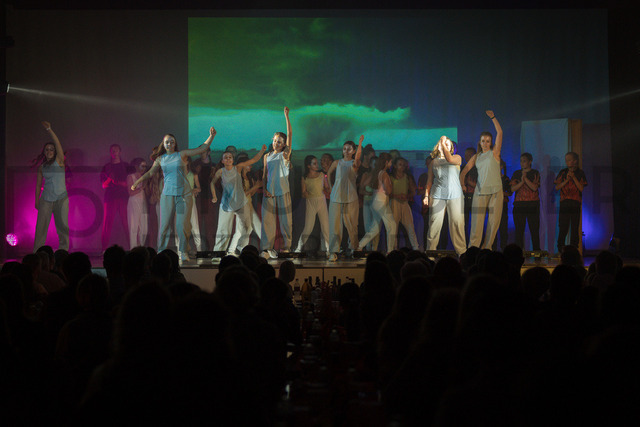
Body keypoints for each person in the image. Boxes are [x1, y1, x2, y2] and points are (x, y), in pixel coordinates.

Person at [131, 127, 216, 261]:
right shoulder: (160, 159)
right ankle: (161, 251)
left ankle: (183, 251)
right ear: (163, 144)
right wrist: (137, 182)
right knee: (164, 226)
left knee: (182, 225)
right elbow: (150, 173)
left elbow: (201, 149)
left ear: (175, 144)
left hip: (183, 195)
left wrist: (211, 136)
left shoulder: (181, 154)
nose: (169, 144)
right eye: (167, 142)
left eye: (172, 142)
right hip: (168, 195)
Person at [459, 110, 504, 249]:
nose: (485, 143)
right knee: (476, 224)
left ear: (491, 143)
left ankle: (487, 249)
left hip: (496, 192)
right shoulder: (476, 157)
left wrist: (493, 117)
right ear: (480, 142)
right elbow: (464, 172)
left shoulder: (495, 153)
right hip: (480, 193)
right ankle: (473, 250)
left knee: (493, 224)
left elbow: (500, 133)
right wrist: (462, 184)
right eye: (483, 141)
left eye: (488, 141)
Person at [212, 146, 267, 255]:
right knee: (223, 230)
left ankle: (242, 248)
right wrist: (214, 196)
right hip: (227, 205)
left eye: (230, 157)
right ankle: (218, 253)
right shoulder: (220, 172)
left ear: (233, 159)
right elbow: (212, 183)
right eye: (226, 157)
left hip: (241, 203)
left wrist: (262, 151)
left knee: (247, 227)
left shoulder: (238, 168)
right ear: (222, 161)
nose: (228, 159)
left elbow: (254, 160)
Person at [423, 136, 467, 255]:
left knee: (457, 225)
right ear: (439, 146)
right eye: (443, 143)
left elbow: (449, 159)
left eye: (448, 144)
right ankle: (431, 254)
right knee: (434, 226)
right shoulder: (433, 162)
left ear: (451, 148)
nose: (445, 145)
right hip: (437, 196)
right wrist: (426, 196)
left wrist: (443, 142)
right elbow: (429, 181)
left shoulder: (457, 158)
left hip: (455, 196)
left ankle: (462, 254)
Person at [261, 107, 293, 259]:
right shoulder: (267, 156)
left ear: (284, 144)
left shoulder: (285, 155)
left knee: (286, 221)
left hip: (283, 191)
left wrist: (286, 116)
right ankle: (266, 249)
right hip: (269, 192)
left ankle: (286, 247)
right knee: (268, 222)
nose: (276, 143)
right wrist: (264, 189)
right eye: (274, 141)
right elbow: (264, 175)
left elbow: (290, 134)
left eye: (279, 142)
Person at [326, 136, 364, 261]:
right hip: (336, 198)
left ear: (353, 151)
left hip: (350, 198)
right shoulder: (337, 162)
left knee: (352, 225)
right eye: (344, 149)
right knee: (335, 226)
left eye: (349, 149)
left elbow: (357, 158)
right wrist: (331, 187)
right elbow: (329, 173)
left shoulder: (354, 164)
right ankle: (333, 251)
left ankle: (354, 248)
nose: (346, 151)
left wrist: (359, 143)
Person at [33, 121, 69, 252]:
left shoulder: (59, 162)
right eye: (47, 149)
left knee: (62, 227)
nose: (49, 151)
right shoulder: (42, 167)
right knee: (41, 228)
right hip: (46, 200)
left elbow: (58, 144)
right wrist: (36, 201)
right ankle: (37, 253)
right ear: (44, 152)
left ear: (55, 152)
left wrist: (49, 130)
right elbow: (38, 185)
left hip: (61, 199)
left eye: (51, 149)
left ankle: (63, 252)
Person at [358, 153, 397, 253]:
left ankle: (359, 246)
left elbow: (364, 183)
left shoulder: (376, 172)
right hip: (381, 202)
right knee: (392, 226)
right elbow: (388, 191)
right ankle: (390, 251)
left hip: (374, 201)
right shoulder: (384, 174)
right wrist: (391, 186)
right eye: (391, 162)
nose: (391, 164)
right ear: (386, 162)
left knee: (375, 228)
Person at [294, 155, 330, 254]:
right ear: (308, 166)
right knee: (308, 228)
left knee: (325, 226)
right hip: (310, 202)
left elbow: (327, 188)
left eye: (317, 163)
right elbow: (303, 193)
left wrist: (328, 188)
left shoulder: (321, 175)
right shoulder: (305, 178)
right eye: (314, 163)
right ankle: (298, 248)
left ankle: (329, 249)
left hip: (321, 201)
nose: (317, 165)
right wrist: (306, 194)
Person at [228, 153, 263, 253]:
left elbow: (250, 194)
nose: (251, 166)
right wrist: (255, 186)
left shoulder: (249, 177)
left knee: (243, 229)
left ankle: (232, 250)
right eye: (249, 164)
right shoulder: (238, 178)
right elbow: (242, 195)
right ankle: (240, 248)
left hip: (249, 204)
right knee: (246, 228)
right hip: (241, 206)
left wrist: (256, 186)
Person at [554, 151, 587, 252]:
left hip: (575, 202)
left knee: (574, 227)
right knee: (563, 226)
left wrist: (573, 177)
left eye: (570, 160)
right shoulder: (563, 172)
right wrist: (567, 180)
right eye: (567, 160)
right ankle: (560, 248)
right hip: (564, 202)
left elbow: (581, 188)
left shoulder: (580, 173)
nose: (568, 162)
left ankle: (574, 248)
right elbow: (557, 187)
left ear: (575, 161)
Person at [100, 144, 130, 249]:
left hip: (123, 198)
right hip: (110, 198)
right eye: (113, 150)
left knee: (127, 223)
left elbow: (130, 183)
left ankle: (132, 247)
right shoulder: (107, 167)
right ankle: (104, 249)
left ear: (120, 152)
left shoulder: (126, 166)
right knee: (107, 224)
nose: (115, 152)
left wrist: (118, 182)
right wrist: (110, 179)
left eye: (116, 150)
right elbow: (103, 185)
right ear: (110, 152)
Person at [511, 152, 541, 251]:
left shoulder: (535, 172)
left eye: (524, 161)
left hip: (533, 204)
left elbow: (534, 188)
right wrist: (522, 181)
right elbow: (512, 189)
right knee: (519, 230)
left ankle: (536, 252)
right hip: (519, 204)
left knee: (534, 229)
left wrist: (525, 178)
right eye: (521, 161)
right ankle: (518, 252)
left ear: (530, 162)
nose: (522, 163)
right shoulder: (516, 173)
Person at [390, 157, 419, 250]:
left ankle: (416, 248)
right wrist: (396, 196)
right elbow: (387, 192)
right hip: (393, 203)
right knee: (393, 228)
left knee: (410, 227)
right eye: (400, 164)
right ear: (395, 166)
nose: (402, 167)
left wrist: (407, 196)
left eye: (403, 165)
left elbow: (413, 191)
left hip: (404, 203)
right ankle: (393, 249)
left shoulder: (407, 177)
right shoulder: (390, 177)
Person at [126, 158, 149, 248]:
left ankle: (141, 246)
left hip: (142, 203)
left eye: (145, 166)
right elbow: (130, 193)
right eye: (142, 166)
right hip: (134, 202)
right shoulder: (131, 177)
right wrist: (141, 188)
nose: (144, 168)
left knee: (143, 227)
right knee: (134, 226)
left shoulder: (144, 177)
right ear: (136, 166)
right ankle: (133, 248)